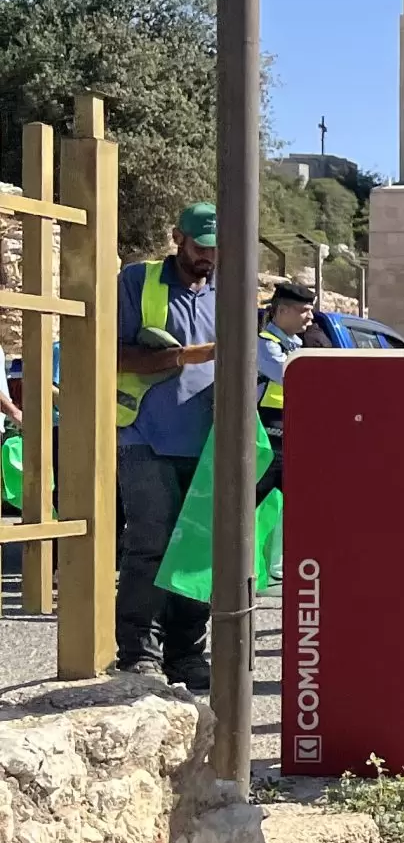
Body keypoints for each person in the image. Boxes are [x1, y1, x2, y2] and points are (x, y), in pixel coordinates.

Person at [112, 202, 221, 689]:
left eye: (216, 249)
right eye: (201, 247)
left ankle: (187, 655)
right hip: (145, 437)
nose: (208, 257)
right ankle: (139, 653)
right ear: (178, 238)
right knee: (150, 547)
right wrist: (185, 356)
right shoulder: (139, 282)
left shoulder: (229, 291)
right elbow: (113, 354)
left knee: (197, 552)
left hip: (209, 443)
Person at [256, 282, 317, 449]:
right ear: (283, 311)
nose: (311, 316)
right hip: (269, 430)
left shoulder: (292, 346)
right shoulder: (267, 346)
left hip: (286, 424)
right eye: (304, 310)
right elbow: (299, 380)